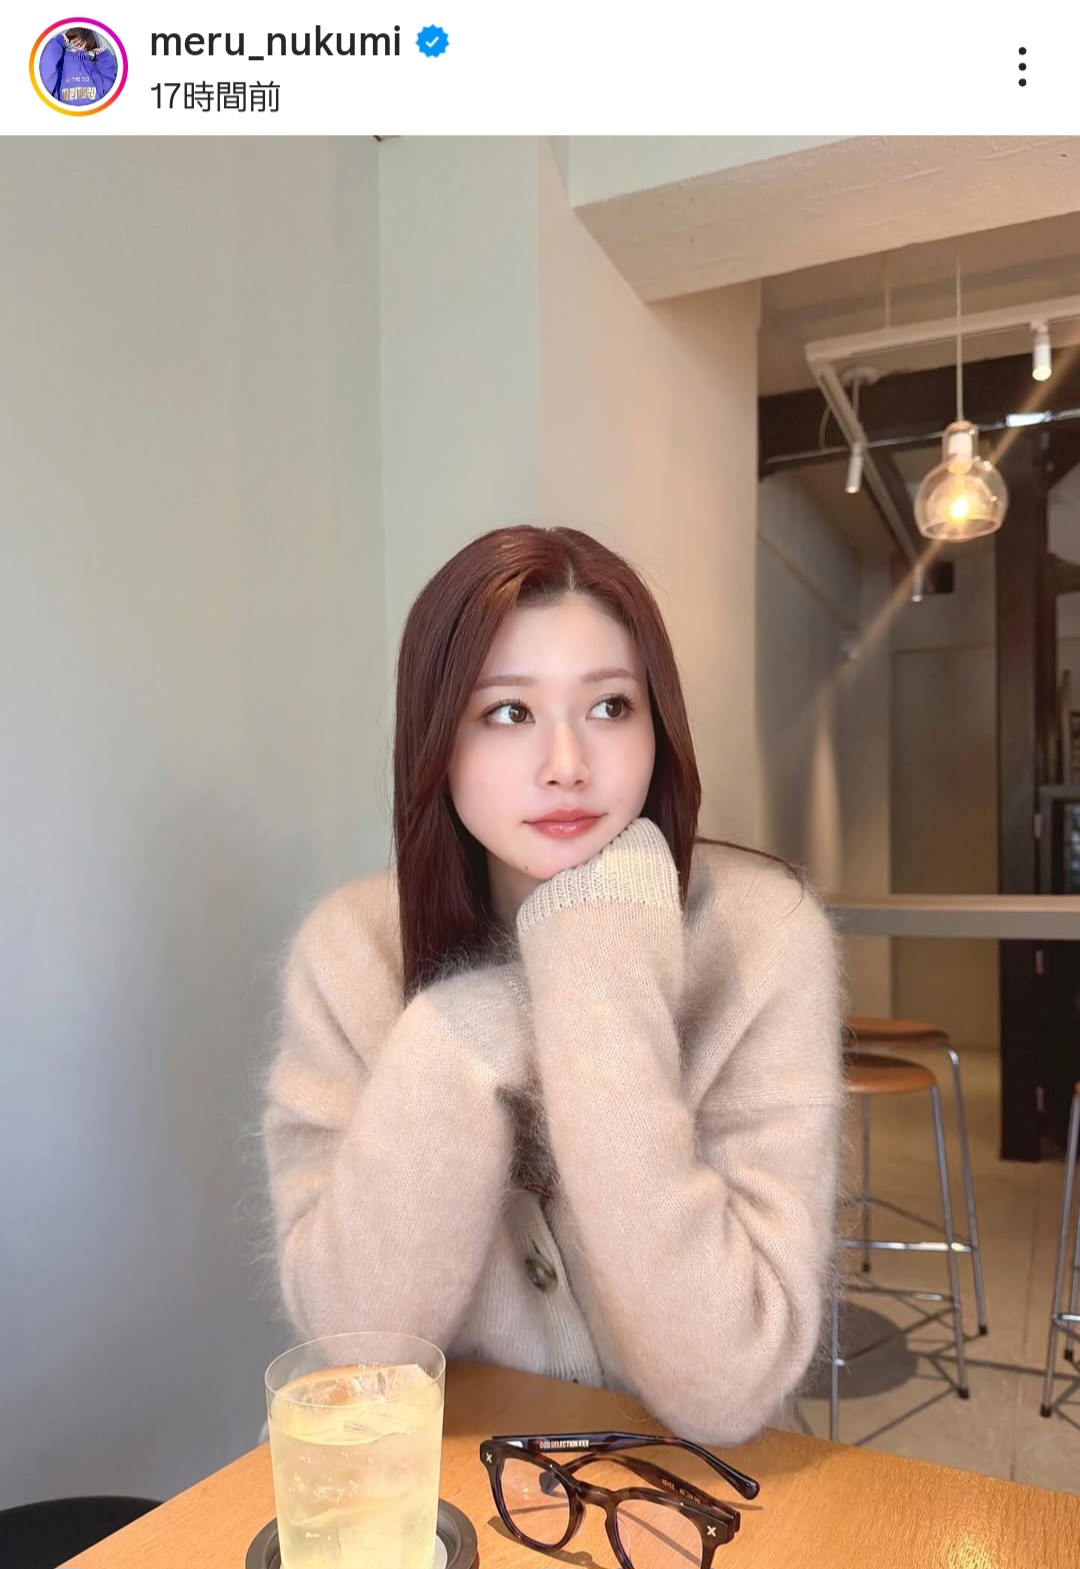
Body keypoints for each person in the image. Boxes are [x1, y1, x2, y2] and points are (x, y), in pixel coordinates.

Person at [260, 525, 845, 1444]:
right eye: (508, 712)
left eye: (610, 706)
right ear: (436, 742)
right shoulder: (349, 952)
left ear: (658, 730)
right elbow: (358, 1350)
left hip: (681, 1491)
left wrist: (598, 972)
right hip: (446, 1487)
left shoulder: (763, 939)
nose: (567, 762)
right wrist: (473, 1029)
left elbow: (728, 1384)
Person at [39, 28, 117, 106]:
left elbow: (109, 90)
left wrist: (104, 58)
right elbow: (44, 73)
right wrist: (58, 43)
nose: (80, 50)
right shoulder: (60, 65)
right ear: (67, 43)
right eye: (76, 45)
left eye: (85, 49)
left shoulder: (94, 66)